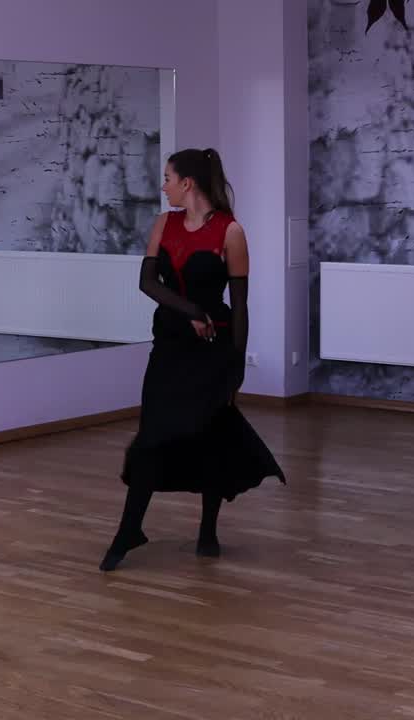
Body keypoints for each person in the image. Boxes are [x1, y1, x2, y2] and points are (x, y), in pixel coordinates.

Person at [99, 147, 285, 572]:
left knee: (210, 437)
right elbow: (147, 282)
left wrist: (236, 367)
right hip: (169, 345)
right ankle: (129, 529)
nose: (163, 186)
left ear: (187, 183)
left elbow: (240, 307)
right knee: (151, 436)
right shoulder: (163, 224)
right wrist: (191, 312)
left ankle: (208, 531)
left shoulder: (230, 232)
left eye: (167, 178)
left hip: (212, 353)